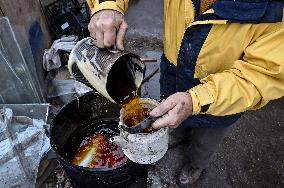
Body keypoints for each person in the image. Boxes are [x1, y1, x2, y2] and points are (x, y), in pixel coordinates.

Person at [86, 0, 284, 186]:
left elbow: (265, 74)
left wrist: (197, 99)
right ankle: (178, 135)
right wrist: (107, 5)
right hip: (174, 70)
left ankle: (196, 165)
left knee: (205, 142)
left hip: (225, 97)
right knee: (173, 118)